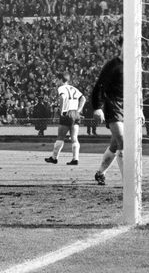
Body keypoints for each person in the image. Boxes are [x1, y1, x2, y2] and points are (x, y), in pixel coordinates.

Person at [91, 36, 124, 186]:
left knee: (115, 145)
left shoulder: (135, 65)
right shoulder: (113, 65)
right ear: (122, 46)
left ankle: (100, 172)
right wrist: (97, 107)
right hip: (113, 106)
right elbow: (99, 86)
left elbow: (138, 90)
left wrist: (140, 109)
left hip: (128, 106)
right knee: (123, 142)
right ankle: (128, 182)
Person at [45, 72, 86, 166]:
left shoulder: (61, 88)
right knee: (74, 138)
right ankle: (75, 159)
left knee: (60, 136)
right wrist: (78, 110)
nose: (56, 81)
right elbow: (83, 98)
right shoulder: (74, 88)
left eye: (57, 79)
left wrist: (62, 110)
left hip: (67, 113)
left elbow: (63, 98)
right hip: (75, 113)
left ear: (60, 80)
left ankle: (54, 158)